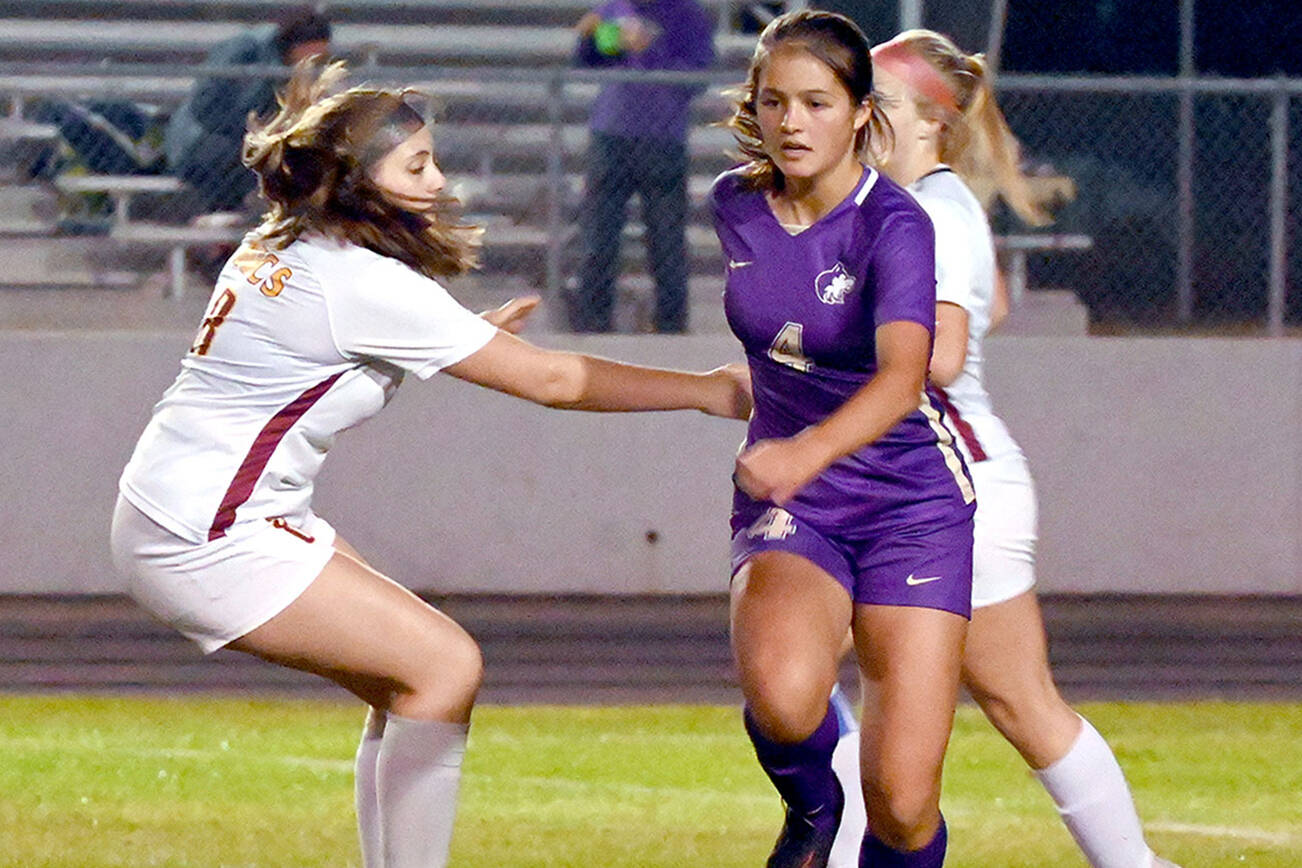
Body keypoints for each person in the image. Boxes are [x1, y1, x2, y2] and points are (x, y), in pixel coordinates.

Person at [110, 61, 751, 868]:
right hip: (209, 533)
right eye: (417, 165)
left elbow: (311, 364)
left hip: (187, 509)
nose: (439, 181)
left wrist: (459, 337)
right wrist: (706, 389)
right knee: (446, 666)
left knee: (408, 681)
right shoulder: (364, 283)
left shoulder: (282, 239)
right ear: (355, 182)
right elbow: (553, 381)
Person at [824, 29, 1181, 868]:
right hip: (924, 482)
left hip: (956, 489)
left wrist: (820, 360)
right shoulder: (918, 207)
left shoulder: (929, 213)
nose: (857, 112)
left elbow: (941, 355)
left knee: (814, 676)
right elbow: (992, 315)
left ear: (927, 124)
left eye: (876, 99)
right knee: (835, 682)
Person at [711, 11, 977, 867]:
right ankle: (814, 811)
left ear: (862, 111)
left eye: (817, 102)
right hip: (800, 505)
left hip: (911, 502)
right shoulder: (736, 205)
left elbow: (907, 375)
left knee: (902, 803)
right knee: (787, 702)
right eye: (775, 102)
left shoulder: (896, 223)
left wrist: (800, 451)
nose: (792, 122)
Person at [569, 0, 715, 333]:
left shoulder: (686, 14)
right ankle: (592, 322)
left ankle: (670, 323)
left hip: (662, 136)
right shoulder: (617, 7)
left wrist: (652, 50)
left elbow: (700, 75)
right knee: (598, 235)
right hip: (611, 133)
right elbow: (588, 58)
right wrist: (595, 39)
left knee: (666, 236)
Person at [164, 6, 332, 215]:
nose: (314, 64)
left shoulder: (298, 69)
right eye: (310, 55)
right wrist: (257, 131)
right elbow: (205, 109)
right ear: (294, 46)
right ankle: (230, 217)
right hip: (200, 143)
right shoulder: (246, 51)